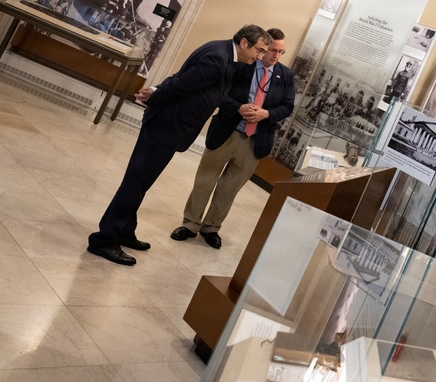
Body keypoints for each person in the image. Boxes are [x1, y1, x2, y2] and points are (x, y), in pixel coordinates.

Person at [87, 24, 270, 265]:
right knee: (135, 182)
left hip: (170, 127)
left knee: (141, 182)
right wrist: (154, 96)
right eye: (259, 50)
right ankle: (104, 239)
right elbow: (181, 85)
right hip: (166, 125)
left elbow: (187, 81)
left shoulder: (224, 53)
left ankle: (123, 231)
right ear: (245, 42)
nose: (260, 56)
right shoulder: (217, 57)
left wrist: (155, 89)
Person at [171, 28, 295, 248]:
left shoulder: (285, 76)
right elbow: (220, 93)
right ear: (263, 47)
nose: (276, 55)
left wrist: (266, 114)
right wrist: (238, 108)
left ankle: (211, 228)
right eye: (272, 50)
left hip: (255, 140)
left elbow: (287, 107)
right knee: (205, 181)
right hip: (227, 131)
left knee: (230, 188)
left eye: (281, 52)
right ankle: (190, 224)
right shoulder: (240, 65)